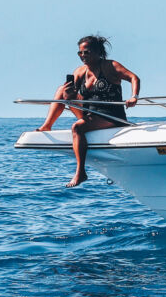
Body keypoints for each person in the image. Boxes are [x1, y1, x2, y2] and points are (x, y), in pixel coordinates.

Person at [36, 34, 140, 187]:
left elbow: (134, 78)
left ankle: (80, 172)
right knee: (61, 90)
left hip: (111, 115)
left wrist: (134, 97)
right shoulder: (80, 72)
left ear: (97, 52)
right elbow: (71, 98)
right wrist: (69, 95)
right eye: (80, 52)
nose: (83, 55)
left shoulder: (110, 66)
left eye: (87, 52)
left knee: (77, 127)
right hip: (90, 113)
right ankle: (47, 126)